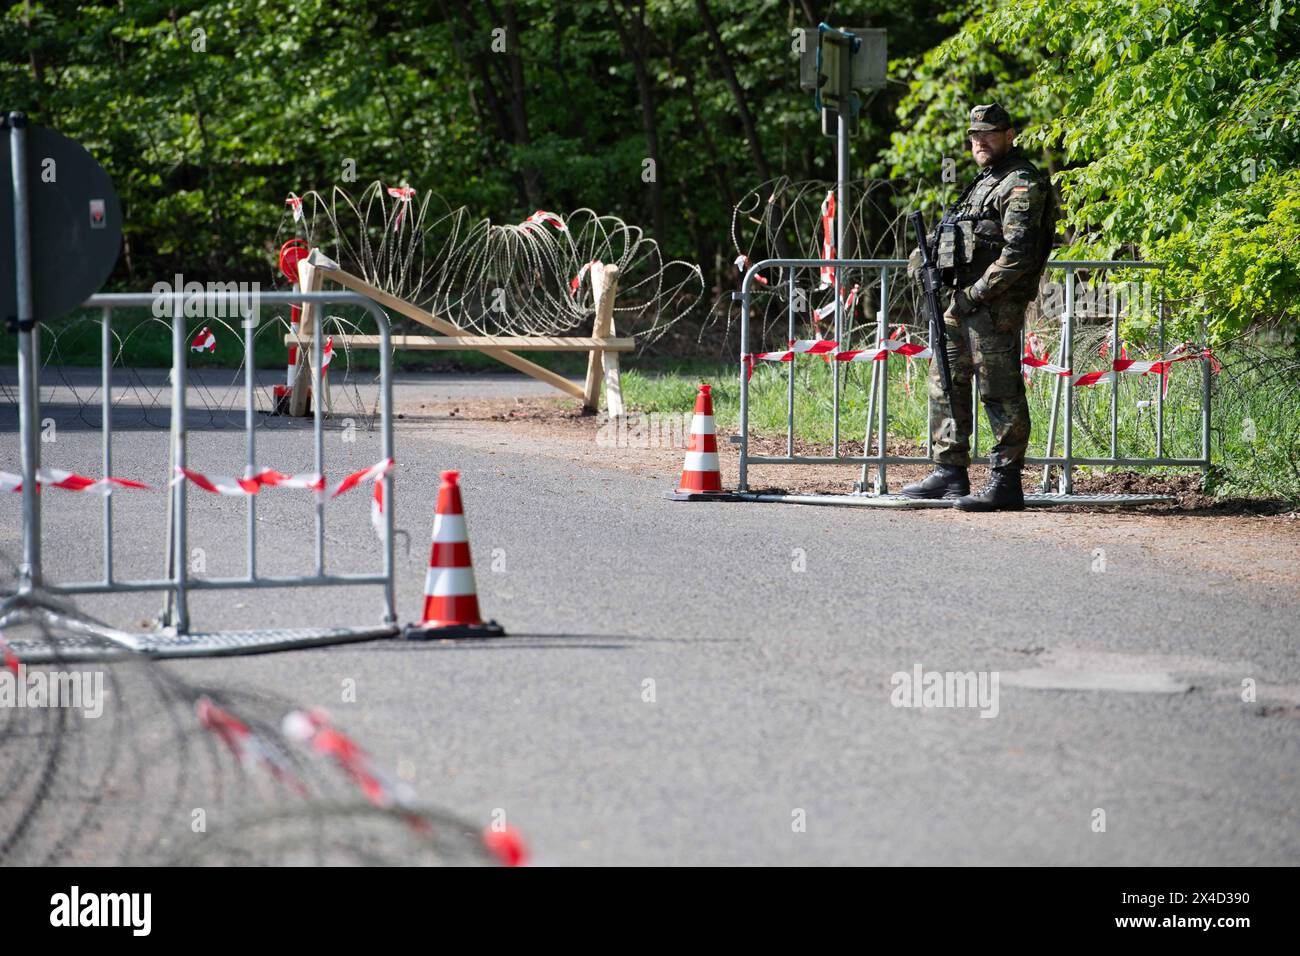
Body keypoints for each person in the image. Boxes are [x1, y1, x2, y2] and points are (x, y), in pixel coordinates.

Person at [903, 102, 1057, 511]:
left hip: (993, 306)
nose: (980, 141)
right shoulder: (982, 181)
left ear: (1009, 135)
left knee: (999, 393)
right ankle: (949, 470)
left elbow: (1017, 255)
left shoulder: (1020, 182)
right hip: (959, 305)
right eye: (975, 135)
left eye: (989, 133)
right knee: (945, 383)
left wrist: (974, 295)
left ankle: (1005, 482)